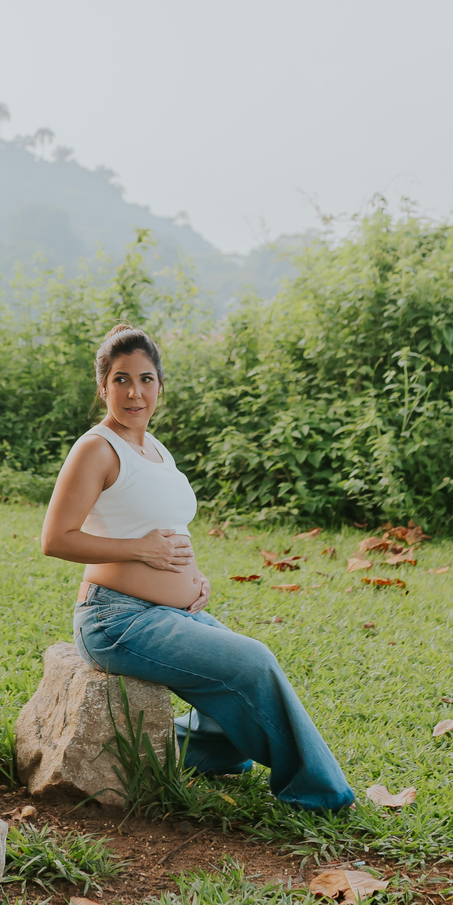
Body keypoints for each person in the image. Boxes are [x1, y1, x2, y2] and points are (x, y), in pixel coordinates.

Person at [40, 322, 354, 813]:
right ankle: (319, 794)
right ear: (103, 387)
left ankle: (194, 751)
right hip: (115, 620)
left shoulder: (155, 449)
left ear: (159, 385)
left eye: (145, 379)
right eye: (121, 379)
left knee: (236, 681)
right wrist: (139, 551)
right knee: (253, 661)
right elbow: (56, 538)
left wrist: (193, 580)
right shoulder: (96, 448)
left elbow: (166, 529)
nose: (134, 392)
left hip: (167, 613)